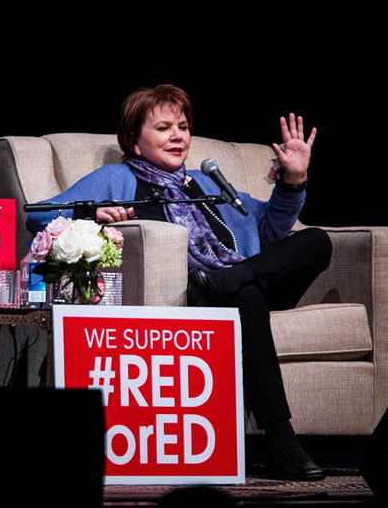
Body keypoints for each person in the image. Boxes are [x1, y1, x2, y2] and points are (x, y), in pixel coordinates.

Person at [26, 84, 332, 481]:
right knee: (249, 294)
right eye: (164, 127)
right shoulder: (116, 178)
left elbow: (271, 226)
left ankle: (229, 281)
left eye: (183, 126)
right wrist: (92, 211)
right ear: (135, 141)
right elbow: (37, 215)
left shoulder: (206, 184)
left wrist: (294, 180)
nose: (178, 135)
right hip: (196, 297)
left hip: (226, 282)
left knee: (316, 241)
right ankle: (281, 442)